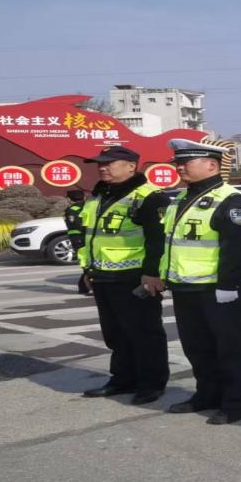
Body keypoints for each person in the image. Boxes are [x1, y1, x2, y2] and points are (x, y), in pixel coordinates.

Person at [159, 139, 241, 425]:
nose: (179, 167)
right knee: (197, 347)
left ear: (212, 165)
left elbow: (237, 250)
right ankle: (207, 395)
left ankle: (237, 403)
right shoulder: (182, 198)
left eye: (185, 162)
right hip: (186, 286)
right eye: (177, 163)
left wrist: (228, 286)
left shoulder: (233, 201)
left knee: (232, 348)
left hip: (219, 289)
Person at [77, 146, 172, 404]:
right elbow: (91, 238)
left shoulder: (150, 197)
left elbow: (158, 241)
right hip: (102, 275)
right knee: (115, 333)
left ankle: (151, 383)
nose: (102, 168)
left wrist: (152, 274)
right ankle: (122, 379)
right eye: (100, 164)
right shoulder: (98, 196)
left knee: (144, 332)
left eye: (109, 163)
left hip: (134, 277)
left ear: (131, 166)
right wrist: (88, 270)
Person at [63, 189, 92, 295]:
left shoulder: (72, 210)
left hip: (78, 239)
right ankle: (84, 287)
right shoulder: (89, 207)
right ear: (84, 197)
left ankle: (86, 288)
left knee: (85, 264)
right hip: (90, 238)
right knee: (89, 264)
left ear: (69, 199)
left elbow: (76, 224)